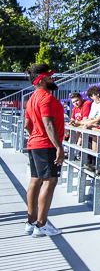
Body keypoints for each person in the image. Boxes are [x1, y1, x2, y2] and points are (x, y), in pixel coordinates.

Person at [24, 64, 65, 237]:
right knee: (49, 182)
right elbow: (48, 123)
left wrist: (37, 135)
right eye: (49, 77)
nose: (53, 79)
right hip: (46, 145)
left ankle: (31, 222)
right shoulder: (46, 98)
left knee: (35, 182)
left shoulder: (31, 98)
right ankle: (41, 226)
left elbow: (27, 125)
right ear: (41, 80)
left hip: (34, 144)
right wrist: (58, 147)